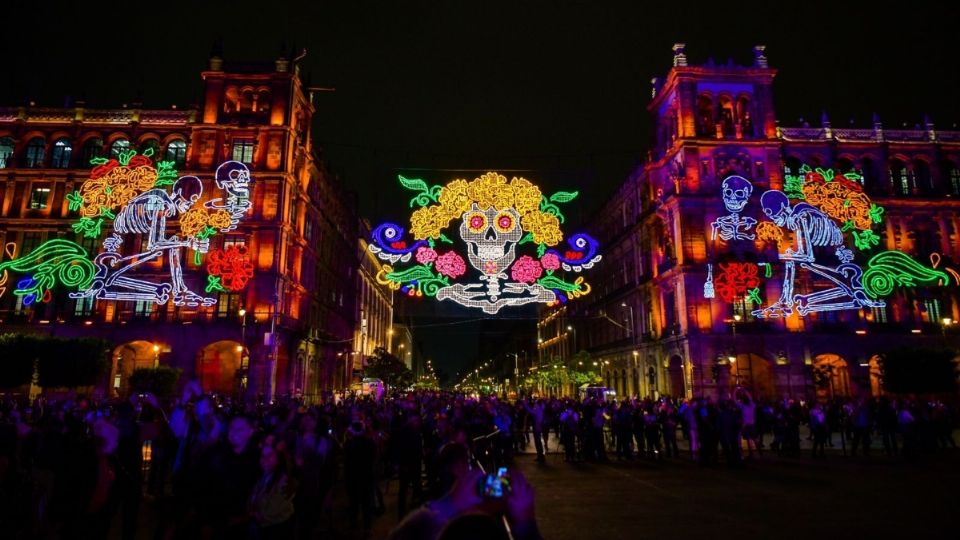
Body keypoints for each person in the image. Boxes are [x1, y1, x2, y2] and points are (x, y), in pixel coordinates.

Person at [248, 436, 296, 539]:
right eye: (263, 455)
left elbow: (273, 509)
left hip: (278, 530)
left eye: (270, 455)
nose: (265, 459)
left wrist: (256, 514)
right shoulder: (264, 476)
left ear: (279, 458)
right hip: (265, 528)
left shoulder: (284, 480)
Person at [344, 421, 377, 531]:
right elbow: (374, 458)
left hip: (353, 478)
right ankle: (367, 528)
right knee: (366, 505)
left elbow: (346, 463)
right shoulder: (370, 442)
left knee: (354, 504)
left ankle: (353, 526)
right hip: (367, 477)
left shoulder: (349, 444)